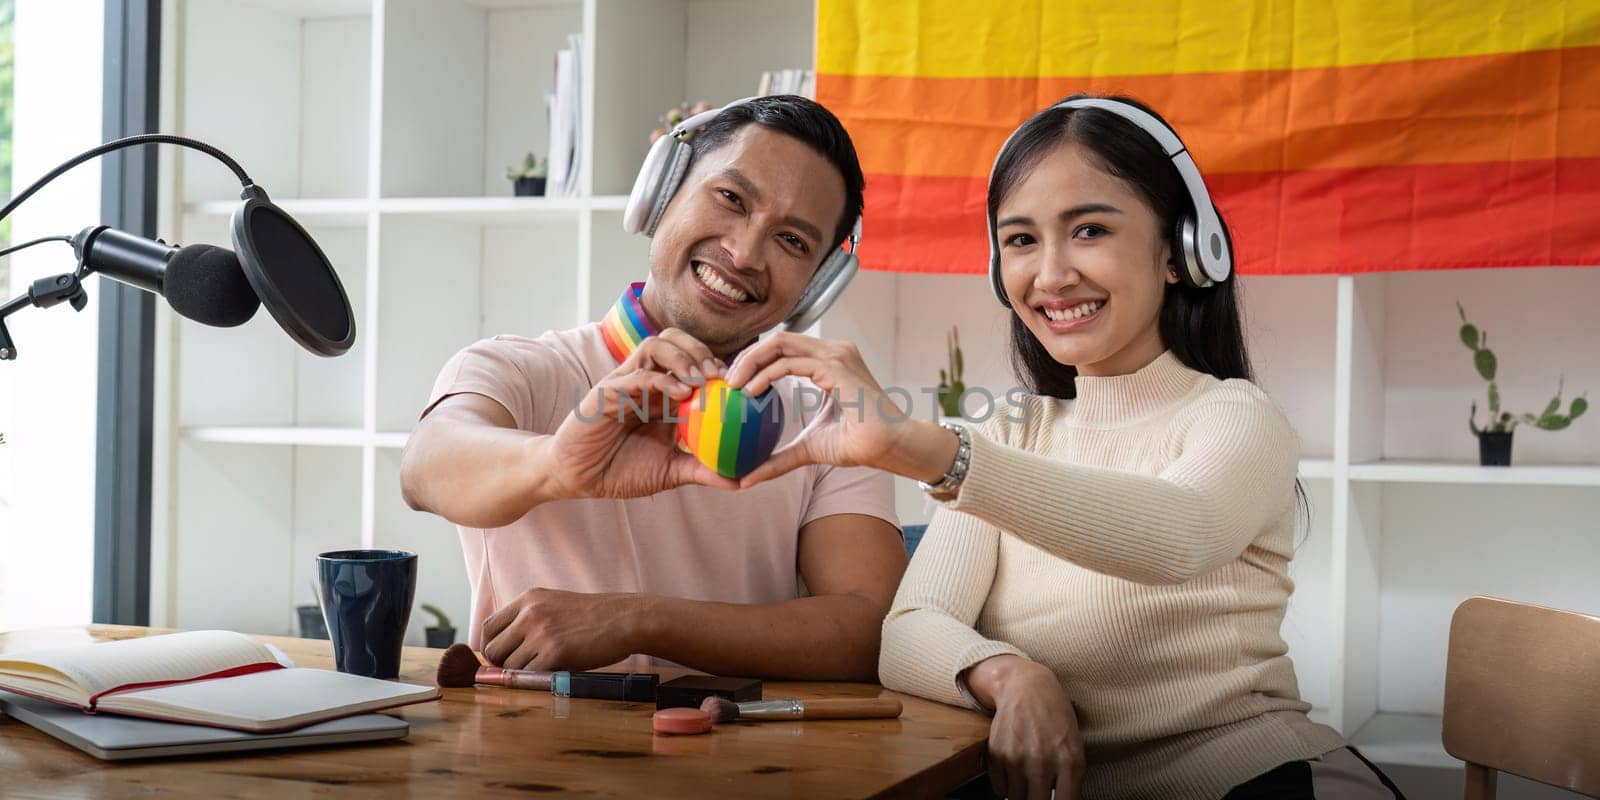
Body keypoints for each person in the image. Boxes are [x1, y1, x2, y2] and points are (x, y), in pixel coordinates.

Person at [723, 95, 1405, 798]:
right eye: (1021, 240)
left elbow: (1176, 535)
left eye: (1088, 230)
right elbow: (910, 631)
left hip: (1238, 781)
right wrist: (1010, 675)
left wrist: (932, 451)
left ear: (1180, 252)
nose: (1050, 275)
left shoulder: (1236, 417)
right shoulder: (1014, 432)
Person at [399, 95, 904, 681]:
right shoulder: (518, 368)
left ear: (817, 287)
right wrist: (557, 464)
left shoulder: (834, 422)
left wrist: (639, 620)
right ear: (662, 193)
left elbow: (870, 629)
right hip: (528, 757)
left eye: (792, 241)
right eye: (731, 199)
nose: (743, 253)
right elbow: (423, 469)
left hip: (746, 761)